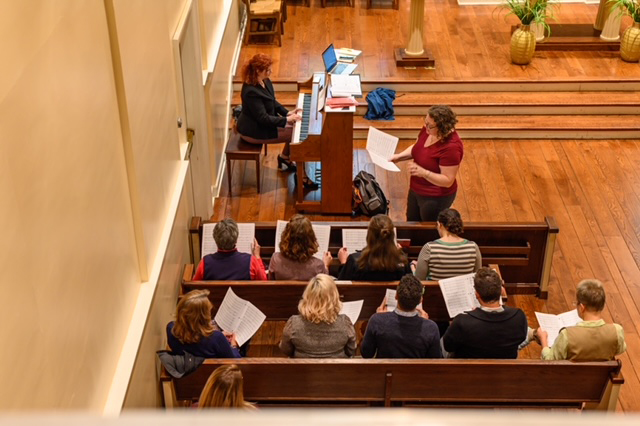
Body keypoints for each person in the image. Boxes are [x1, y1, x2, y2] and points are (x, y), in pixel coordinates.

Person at [236, 53, 317, 188]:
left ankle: (285, 157)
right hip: (253, 130)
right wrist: (286, 120)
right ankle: (301, 176)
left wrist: (287, 113)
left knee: (295, 128)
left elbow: (272, 102)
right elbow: (262, 119)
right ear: (258, 71)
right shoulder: (250, 91)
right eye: (267, 70)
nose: (271, 72)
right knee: (297, 136)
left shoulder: (265, 81)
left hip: (262, 123)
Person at [389, 105, 463, 222]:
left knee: (427, 229)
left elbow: (448, 180)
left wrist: (424, 173)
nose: (426, 127)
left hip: (435, 197)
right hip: (416, 189)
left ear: (443, 127)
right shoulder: (428, 131)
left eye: (430, 126)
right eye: (425, 122)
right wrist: (399, 157)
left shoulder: (451, 147)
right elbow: (418, 147)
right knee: (412, 223)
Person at [442, 267, 528, 359]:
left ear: (477, 294)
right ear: (501, 291)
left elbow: (448, 346)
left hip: (469, 370)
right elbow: (521, 338)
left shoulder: (461, 321)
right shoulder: (519, 317)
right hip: (503, 370)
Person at [537, 279, 626, 361]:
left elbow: (549, 361)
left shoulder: (566, 336)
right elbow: (620, 349)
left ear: (582, 307)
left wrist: (543, 340)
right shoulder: (617, 332)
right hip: (599, 378)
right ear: (602, 305)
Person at [361, 274, 442, 358]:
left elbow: (366, 353)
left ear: (396, 296)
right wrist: (425, 324)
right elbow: (435, 358)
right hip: (416, 371)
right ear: (420, 300)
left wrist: (379, 318)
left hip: (387, 371)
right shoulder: (431, 328)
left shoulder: (377, 320)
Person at [279, 274, 356, 358]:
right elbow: (351, 350)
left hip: (303, 370)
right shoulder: (345, 322)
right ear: (334, 296)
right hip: (336, 370)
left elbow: (286, 350)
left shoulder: (293, 323)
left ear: (307, 296)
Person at [166, 290, 241, 359]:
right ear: (203, 317)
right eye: (208, 311)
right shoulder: (216, 338)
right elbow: (234, 361)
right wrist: (233, 346)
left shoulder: (171, 329)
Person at [337, 214, 412, 281]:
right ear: (392, 236)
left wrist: (343, 263)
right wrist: (399, 254)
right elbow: (410, 286)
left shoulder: (355, 261)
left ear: (370, 236)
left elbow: (341, 287)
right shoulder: (402, 262)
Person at [413, 208, 482, 280]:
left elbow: (419, 279)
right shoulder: (473, 247)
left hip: (435, 291)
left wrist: (413, 268)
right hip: (464, 291)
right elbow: (477, 277)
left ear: (440, 225)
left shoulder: (429, 248)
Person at [192, 219, 267, 281]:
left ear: (215, 239)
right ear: (236, 239)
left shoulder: (205, 263)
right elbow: (263, 281)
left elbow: (195, 286)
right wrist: (257, 257)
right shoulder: (251, 261)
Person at [269, 214, 332, 280]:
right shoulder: (318, 265)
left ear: (286, 236)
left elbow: (270, 284)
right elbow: (324, 286)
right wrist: (326, 266)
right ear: (310, 238)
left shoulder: (276, 259)